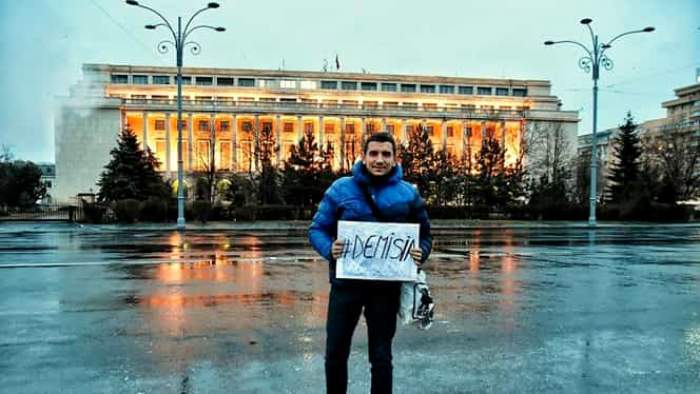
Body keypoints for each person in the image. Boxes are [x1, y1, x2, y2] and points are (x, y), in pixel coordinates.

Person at [309, 132, 432, 394]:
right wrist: (329, 248)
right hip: (346, 285)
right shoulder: (341, 189)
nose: (379, 159)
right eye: (373, 154)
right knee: (335, 353)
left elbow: (425, 235)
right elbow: (317, 229)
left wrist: (421, 251)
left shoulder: (408, 194)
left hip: (385, 289)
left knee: (381, 357)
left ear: (395, 158)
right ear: (363, 157)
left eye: (386, 154)